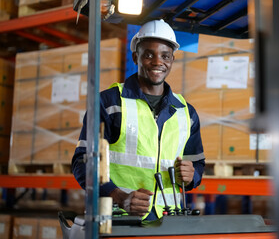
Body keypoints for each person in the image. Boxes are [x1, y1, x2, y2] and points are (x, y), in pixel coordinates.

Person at [72, 19, 206, 221]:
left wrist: (191, 176)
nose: (157, 62)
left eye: (165, 56)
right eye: (149, 54)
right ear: (136, 57)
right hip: (118, 220)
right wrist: (119, 197)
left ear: (172, 60)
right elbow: (82, 162)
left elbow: (198, 164)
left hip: (169, 222)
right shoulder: (109, 103)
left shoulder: (186, 112)